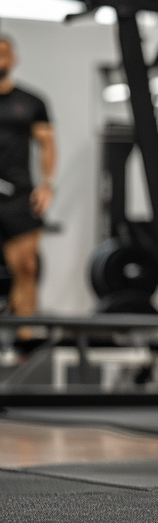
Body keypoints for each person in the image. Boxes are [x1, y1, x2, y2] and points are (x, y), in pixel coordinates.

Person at [0, 36, 55, 322]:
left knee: (27, 266)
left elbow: (48, 144)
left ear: (14, 59)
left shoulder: (31, 101)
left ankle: (25, 340)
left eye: (4, 53)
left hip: (18, 194)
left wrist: (47, 186)